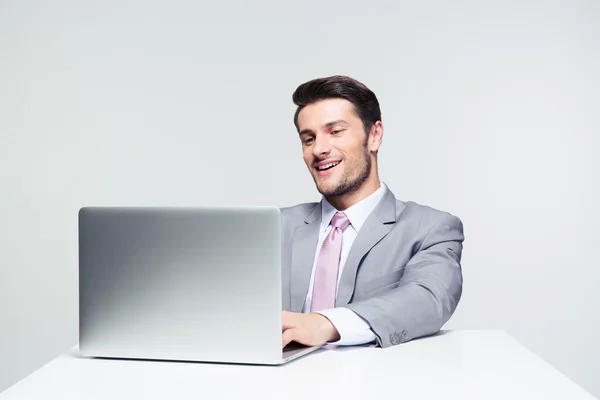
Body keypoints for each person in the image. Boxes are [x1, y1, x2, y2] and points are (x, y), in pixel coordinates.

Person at [280, 75, 464, 349]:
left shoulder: (431, 228)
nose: (319, 149)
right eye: (308, 138)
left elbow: (429, 298)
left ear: (374, 136)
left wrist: (325, 324)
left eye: (335, 131)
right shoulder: (276, 226)